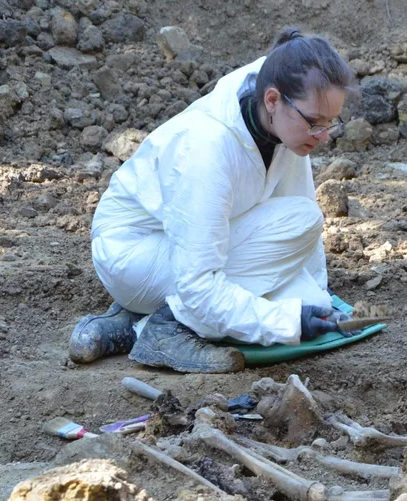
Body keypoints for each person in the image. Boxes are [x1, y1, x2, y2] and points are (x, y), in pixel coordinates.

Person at [68, 28, 357, 373]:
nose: (323, 136)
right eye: (315, 123)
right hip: (135, 254)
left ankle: (140, 318)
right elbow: (199, 284)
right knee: (286, 311)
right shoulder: (206, 148)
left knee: (310, 298)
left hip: (198, 242)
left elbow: (297, 210)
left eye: (330, 123)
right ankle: (159, 327)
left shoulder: (287, 116)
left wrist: (320, 307)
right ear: (272, 100)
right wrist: (288, 322)